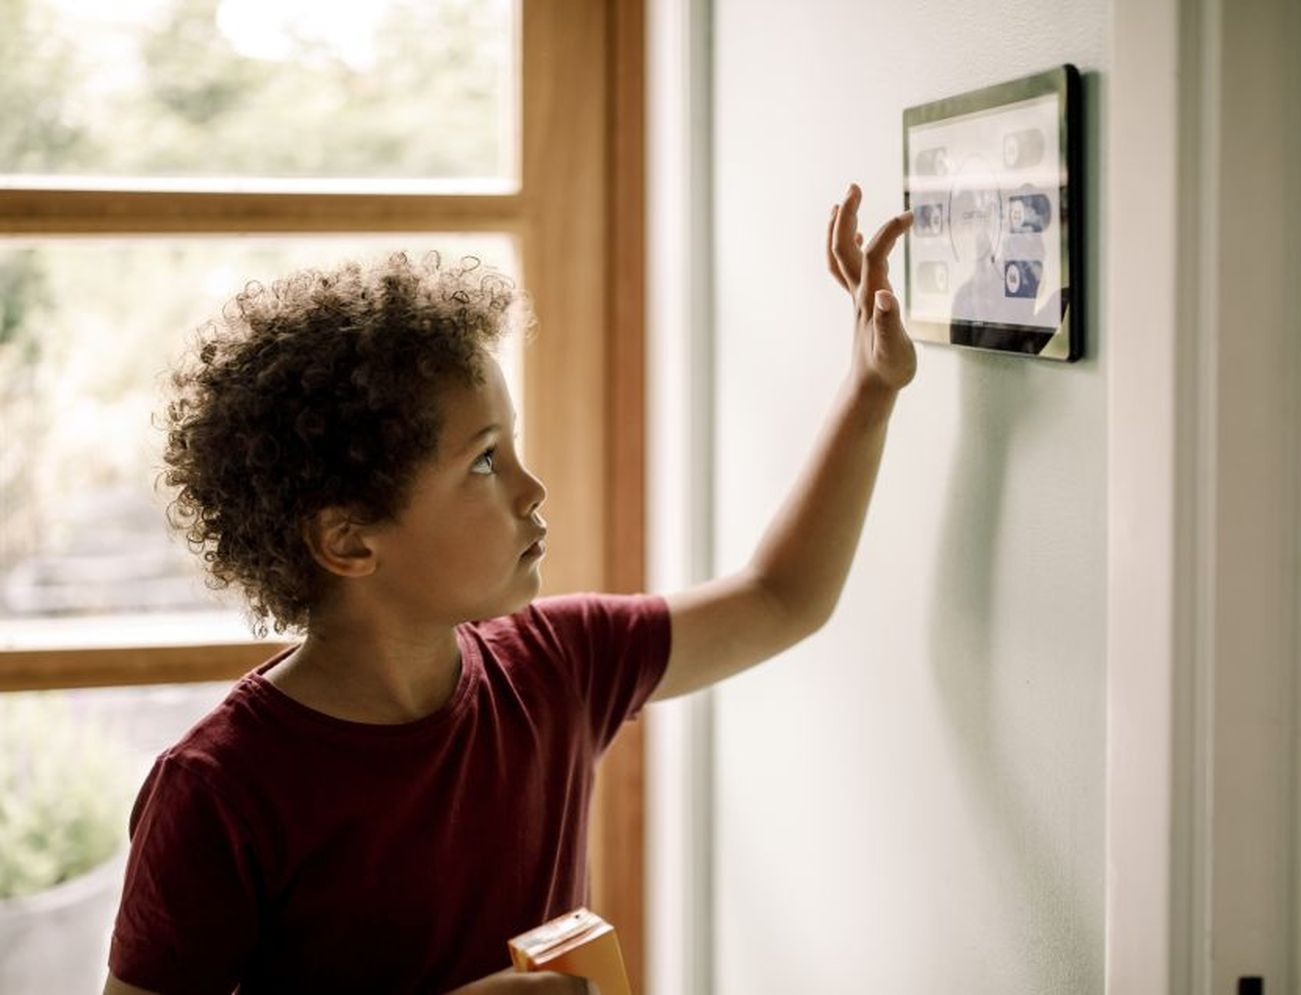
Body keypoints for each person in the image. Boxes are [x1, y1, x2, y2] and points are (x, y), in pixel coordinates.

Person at [102, 183, 914, 995]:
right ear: (349, 539)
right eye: (486, 459)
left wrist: (870, 391)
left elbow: (781, 598)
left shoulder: (560, 663)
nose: (533, 488)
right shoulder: (217, 790)